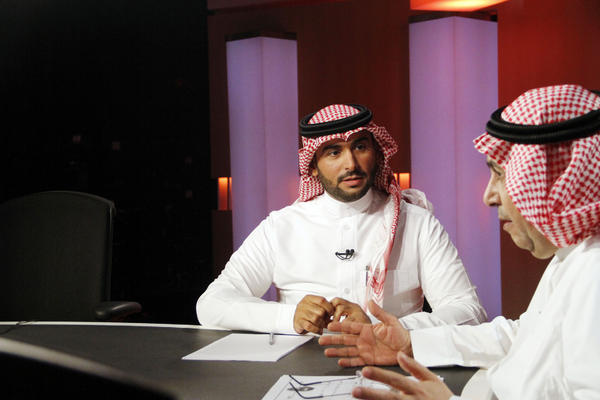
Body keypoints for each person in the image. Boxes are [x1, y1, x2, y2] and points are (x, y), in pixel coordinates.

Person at [319, 84, 600, 399]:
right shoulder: (573, 256)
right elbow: (523, 336)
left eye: (500, 175)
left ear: (560, 180)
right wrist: (411, 343)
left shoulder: (594, 271)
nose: (489, 196)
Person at [197, 104, 486, 334]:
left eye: (360, 147)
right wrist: (289, 317)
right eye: (334, 152)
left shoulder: (417, 223)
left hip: (391, 371)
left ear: (376, 153)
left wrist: (381, 329)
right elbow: (212, 305)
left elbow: (469, 312)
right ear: (312, 167)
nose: (351, 163)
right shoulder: (281, 227)